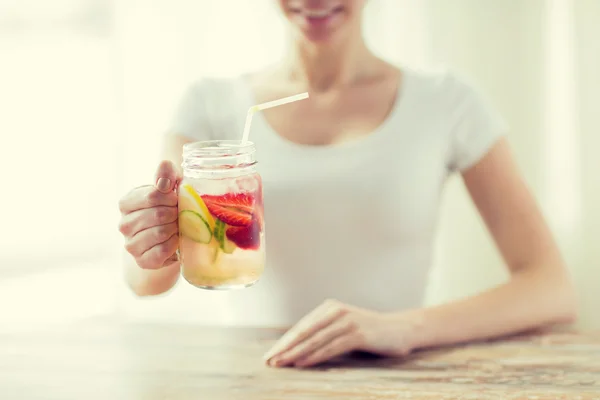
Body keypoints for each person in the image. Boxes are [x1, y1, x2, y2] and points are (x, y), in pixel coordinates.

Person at [117, 0, 577, 368]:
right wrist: (152, 242)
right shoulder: (209, 103)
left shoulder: (446, 102)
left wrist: (403, 328)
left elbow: (551, 288)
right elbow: (148, 282)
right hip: (257, 374)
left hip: (394, 378)